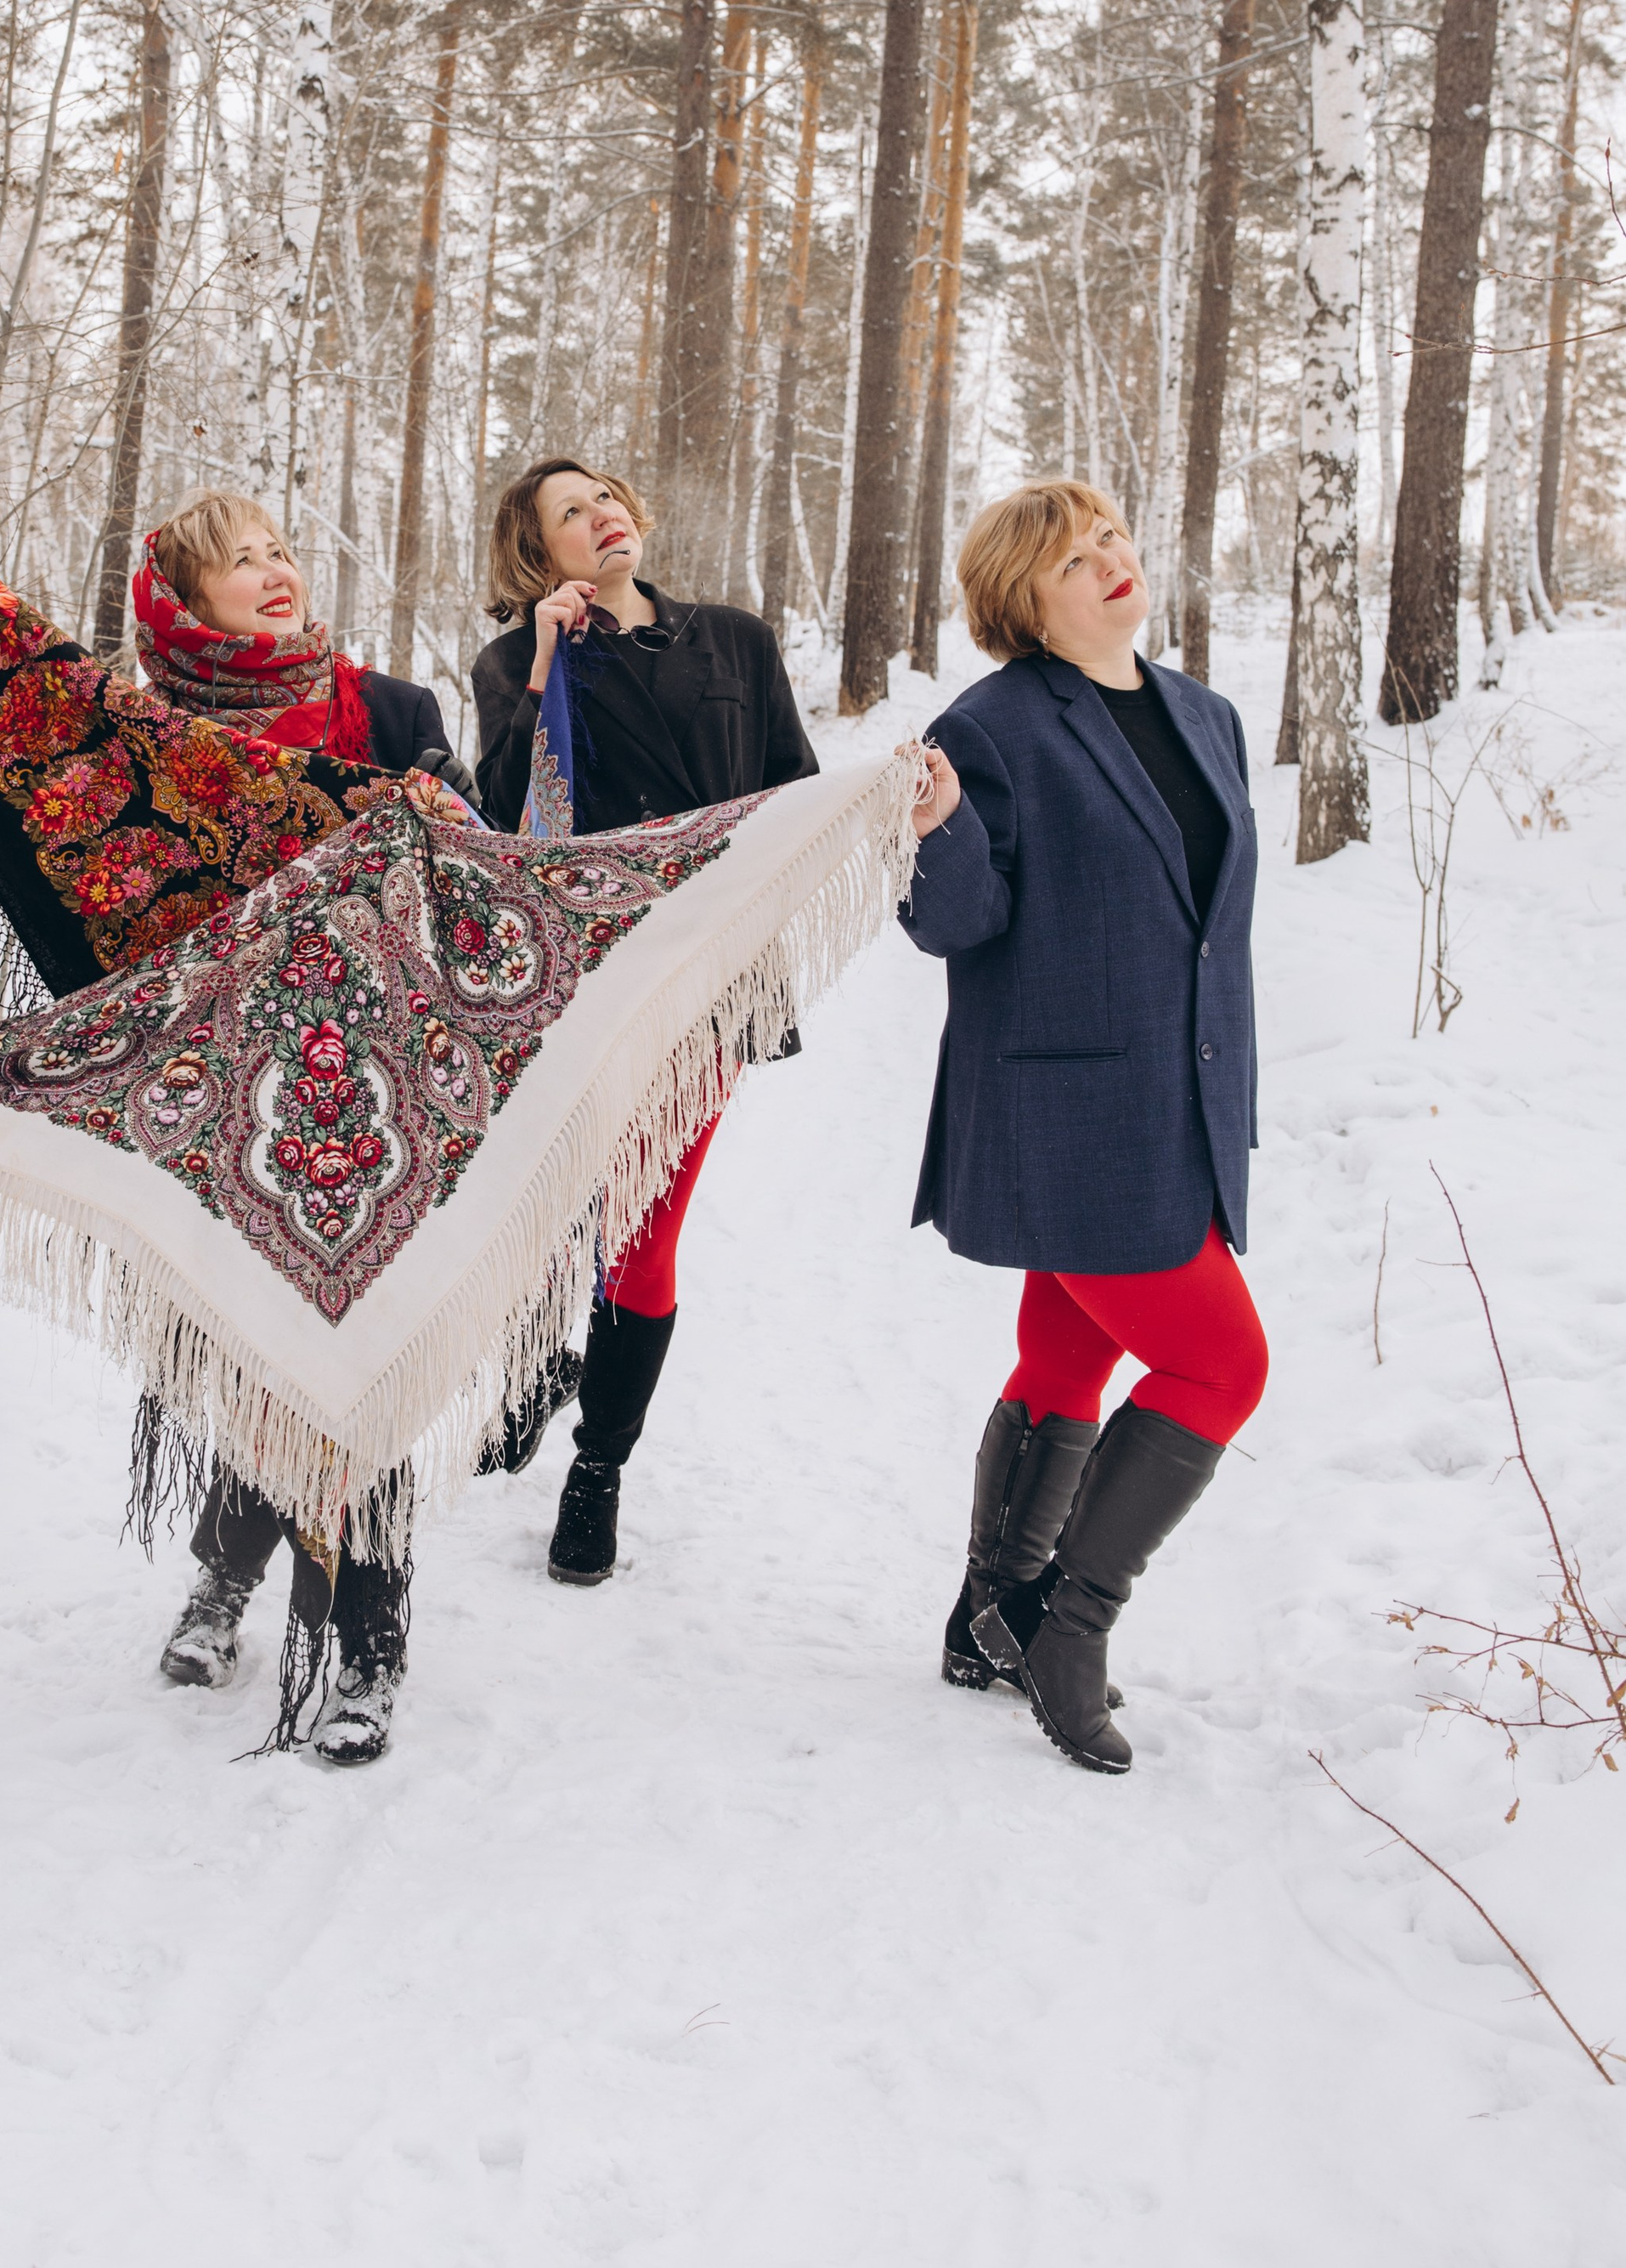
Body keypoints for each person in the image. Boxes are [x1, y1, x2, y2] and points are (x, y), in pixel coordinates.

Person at [0, 478, 471, 1768]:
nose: (272, 572)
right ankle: (226, 1570)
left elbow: (474, 871)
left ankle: (367, 1638)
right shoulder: (135, 729)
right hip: (204, 1096)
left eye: (276, 552)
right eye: (236, 562)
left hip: (368, 1082)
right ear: (181, 601)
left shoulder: (390, 713)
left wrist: (433, 822)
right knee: (231, 1354)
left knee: (358, 1359)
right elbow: (4, 737)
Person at [900, 479, 1267, 1775]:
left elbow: (1207, 920)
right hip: (1070, 1111)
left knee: (1066, 1355)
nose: (1109, 558)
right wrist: (936, 831)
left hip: (1182, 1098)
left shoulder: (1204, 714)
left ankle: (988, 1613)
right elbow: (955, 924)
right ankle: (1069, 1629)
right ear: (1023, 599)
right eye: (1072, 555)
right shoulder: (990, 730)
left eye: (1113, 534)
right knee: (1224, 1366)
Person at [471, 459, 818, 1590]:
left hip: (704, 987)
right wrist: (540, 671)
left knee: (639, 1229)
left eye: (606, 492)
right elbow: (502, 824)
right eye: (569, 511)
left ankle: (599, 1468)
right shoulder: (517, 662)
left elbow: (792, 792)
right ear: (539, 555)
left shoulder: (735, 641)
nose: (600, 511)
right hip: (571, 986)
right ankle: (530, 1359)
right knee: (549, 1193)